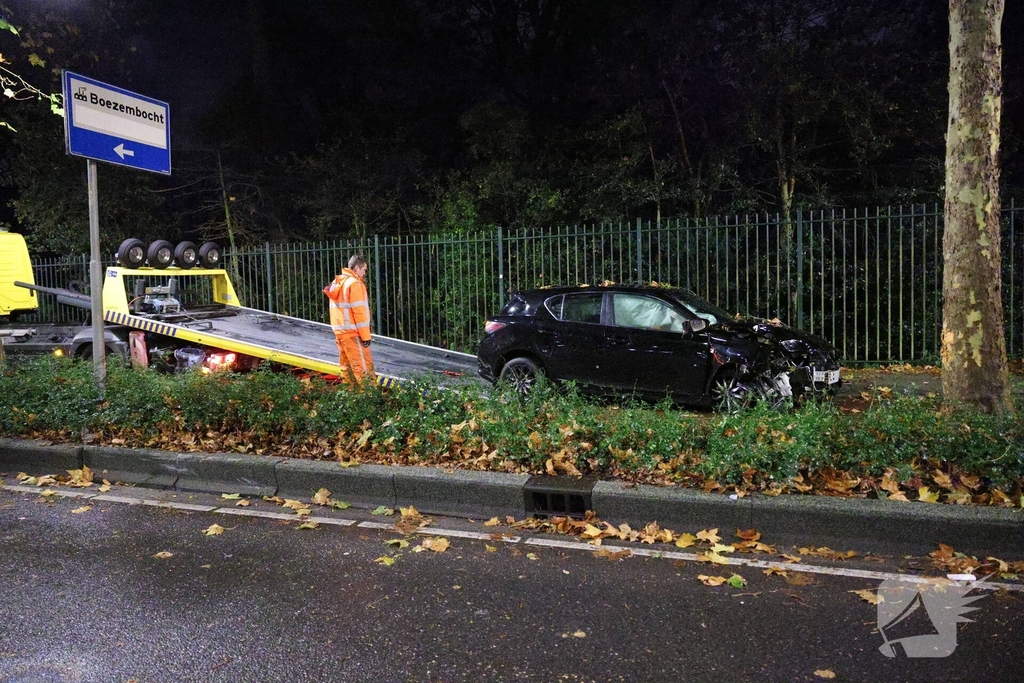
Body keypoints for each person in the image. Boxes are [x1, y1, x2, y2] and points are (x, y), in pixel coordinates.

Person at [323, 254, 375, 385]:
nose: (364, 273)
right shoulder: (355, 284)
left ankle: (351, 398)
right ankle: (369, 400)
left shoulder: (337, 283)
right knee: (363, 369)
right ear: (357, 268)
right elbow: (359, 313)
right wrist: (365, 336)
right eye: (364, 270)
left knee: (347, 369)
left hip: (340, 333)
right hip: (353, 333)